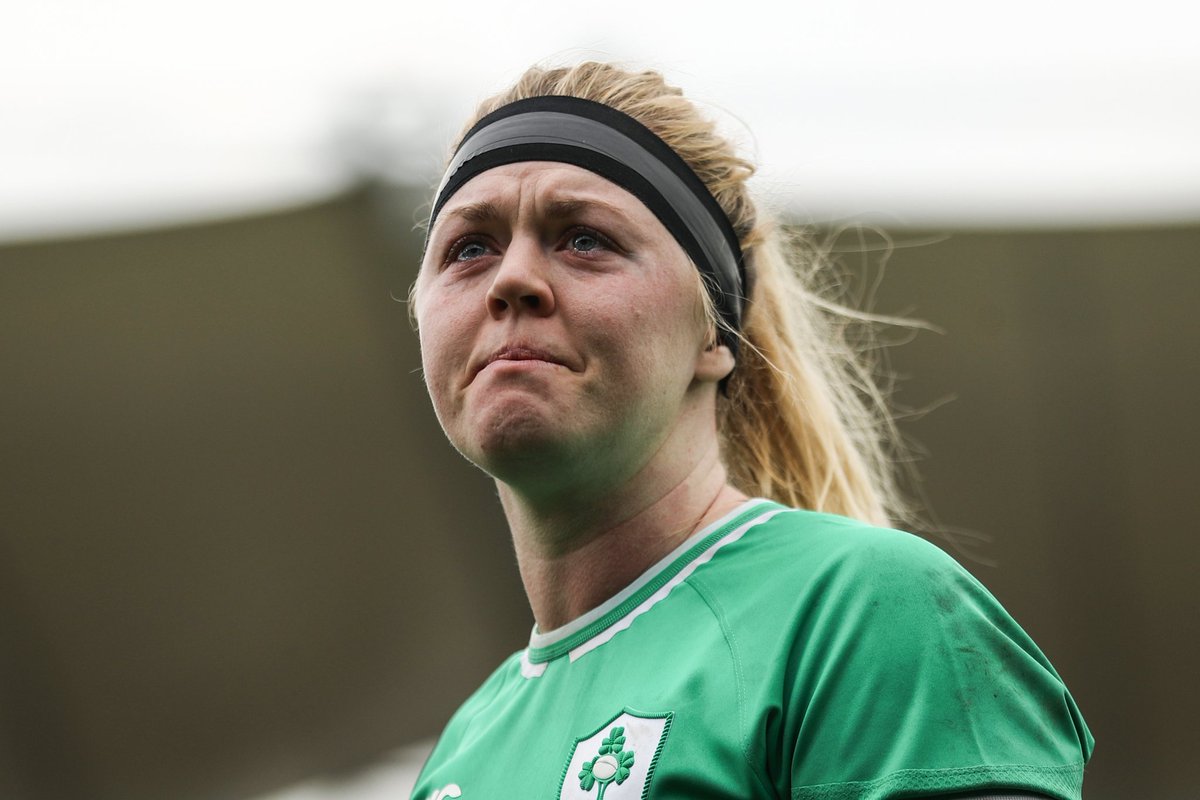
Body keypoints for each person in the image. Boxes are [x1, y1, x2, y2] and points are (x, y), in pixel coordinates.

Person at [408, 61, 1093, 800]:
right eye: (469, 248)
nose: (513, 279)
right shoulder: (462, 753)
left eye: (583, 239)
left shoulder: (861, 611)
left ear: (715, 335)